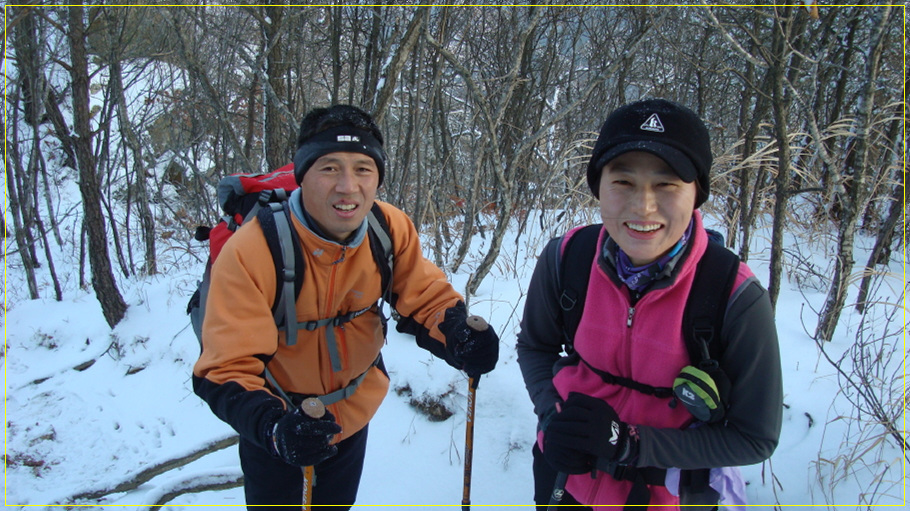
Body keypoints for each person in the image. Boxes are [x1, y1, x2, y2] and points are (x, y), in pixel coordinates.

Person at [193, 104, 499, 510]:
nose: (348, 186)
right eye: (330, 168)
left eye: (363, 169)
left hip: (351, 418)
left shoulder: (387, 229)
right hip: (279, 426)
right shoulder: (255, 248)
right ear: (303, 176)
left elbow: (423, 296)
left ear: (377, 179)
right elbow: (225, 367)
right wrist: (273, 427)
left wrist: (458, 333)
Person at [516, 98, 782, 510]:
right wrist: (555, 418)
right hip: (565, 471)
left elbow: (754, 436)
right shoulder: (567, 258)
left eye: (666, 184)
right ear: (599, 186)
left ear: (696, 193)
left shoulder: (733, 294)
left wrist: (631, 445)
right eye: (623, 182)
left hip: (668, 496)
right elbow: (536, 346)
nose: (643, 206)